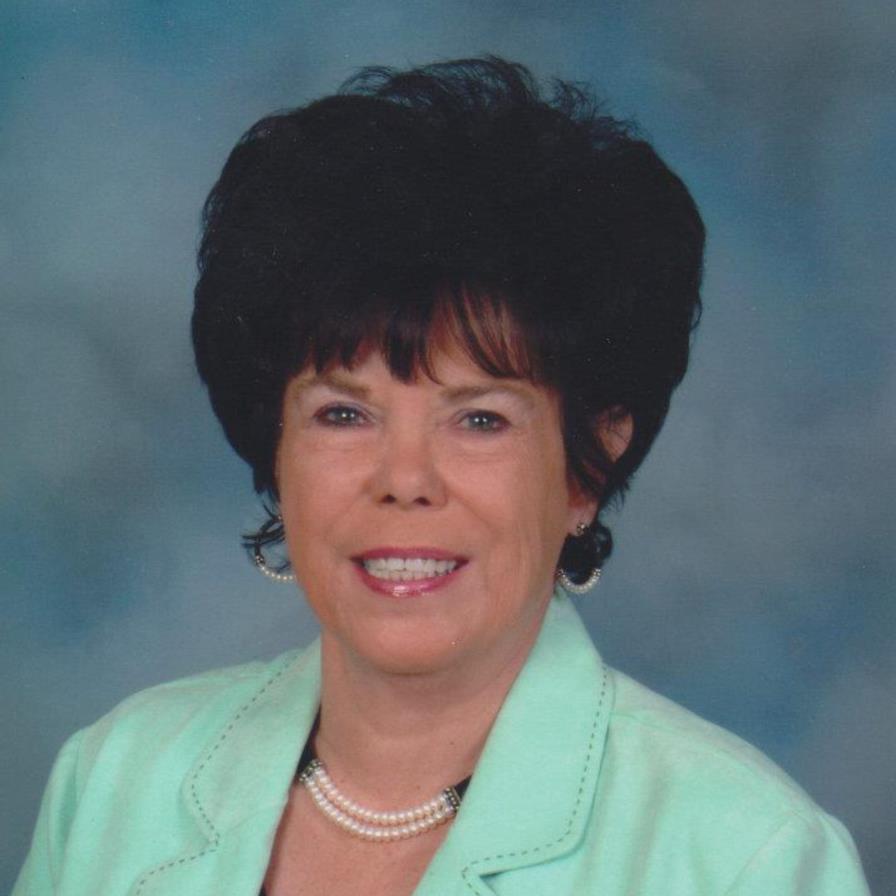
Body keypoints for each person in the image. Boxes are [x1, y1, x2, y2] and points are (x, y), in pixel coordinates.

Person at [14, 57, 870, 896]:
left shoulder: (742, 858)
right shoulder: (119, 778)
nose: (404, 479)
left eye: (480, 419)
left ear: (588, 465)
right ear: (275, 443)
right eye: (343, 414)